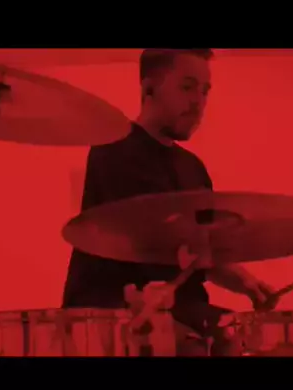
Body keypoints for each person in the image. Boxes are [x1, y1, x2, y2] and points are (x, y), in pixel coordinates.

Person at [62, 48, 278, 355]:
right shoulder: (113, 149)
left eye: (205, 91)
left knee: (247, 337)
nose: (198, 102)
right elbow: (146, 245)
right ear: (149, 88)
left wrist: (246, 281)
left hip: (185, 311)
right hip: (114, 314)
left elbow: (202, 251)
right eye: (187, 87)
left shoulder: (193, 168)